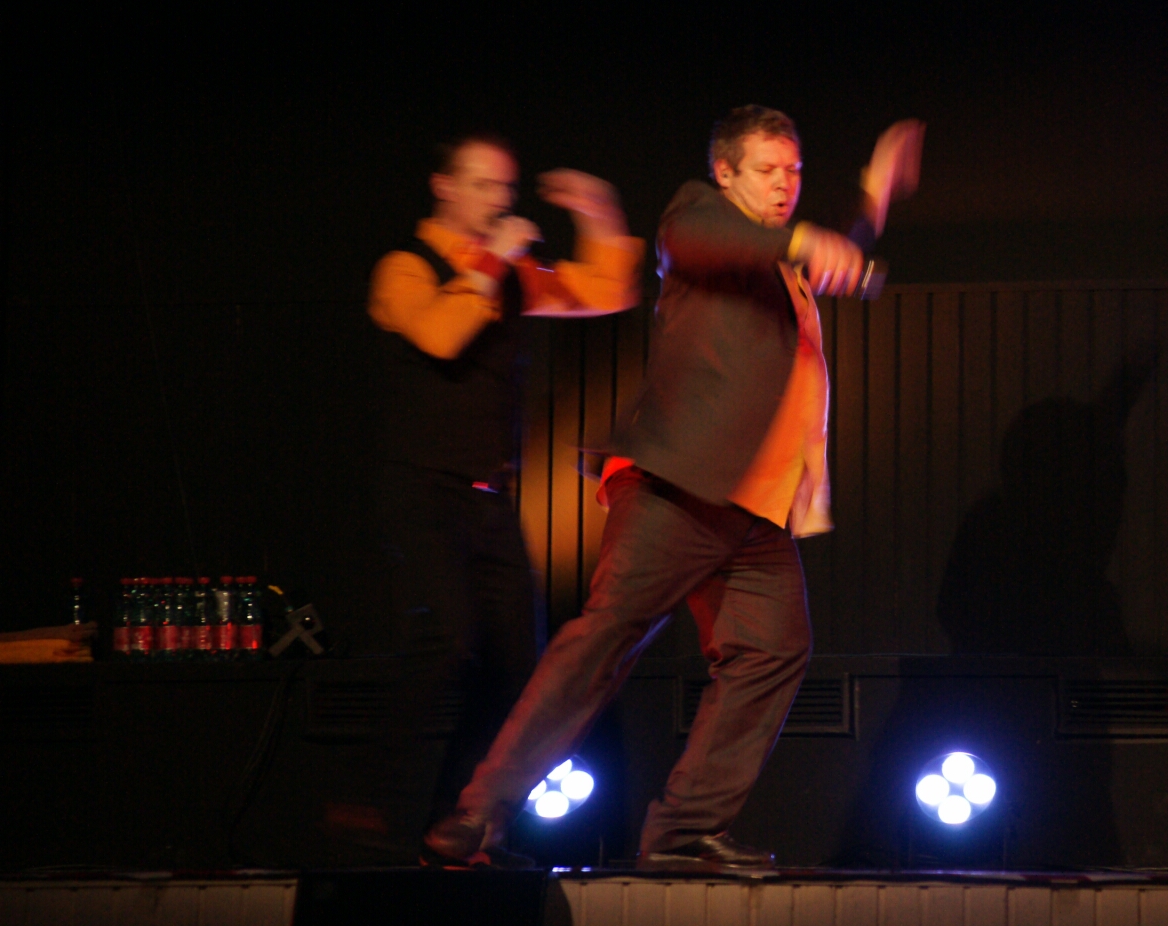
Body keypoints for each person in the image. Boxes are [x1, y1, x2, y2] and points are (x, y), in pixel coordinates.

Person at [424, 106, 924, 870]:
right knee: (603, 641)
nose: (785, 185)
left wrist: (871, 200)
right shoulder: (699, 219)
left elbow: (829, 253)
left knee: (773, 649)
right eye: (767, 171)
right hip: (677, 491)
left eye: (794, 171)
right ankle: (478, 814)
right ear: (725, 173)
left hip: (754, 513)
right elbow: (711, 237)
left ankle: (686, 830)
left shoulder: (778, 255)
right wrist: (805, 240)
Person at [359, 136, 643, 850]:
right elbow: (439, 335)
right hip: (423, 488)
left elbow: (608, 289)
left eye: (506, 188)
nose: (499, 200)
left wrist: (597, 211)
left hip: (489, 500)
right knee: (447, 641)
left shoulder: (508, 274)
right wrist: (492, 261)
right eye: (483, 186)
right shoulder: (405, 266)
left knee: (518, 669)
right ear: (444, 187)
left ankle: (457, 823)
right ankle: (373, 807)